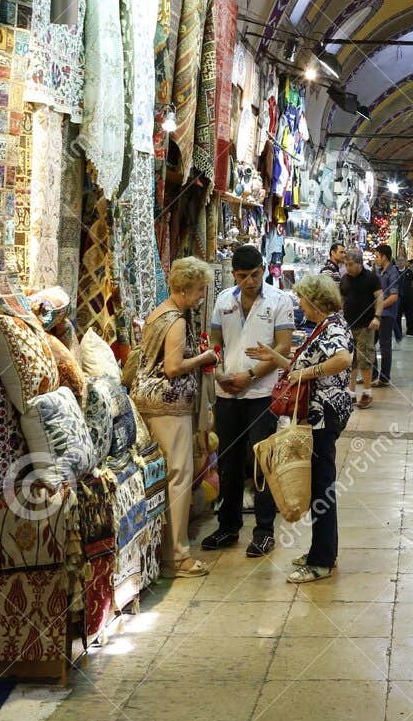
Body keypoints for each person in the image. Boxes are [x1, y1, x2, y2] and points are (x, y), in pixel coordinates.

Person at [245, 272, 354, 584]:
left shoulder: (332, 327)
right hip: (318, 417)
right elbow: (300, 365)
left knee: (322, 487)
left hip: (323, 418)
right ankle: (321, 550)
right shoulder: (324, 326)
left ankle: (321, 561)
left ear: (316, 302)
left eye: (303, 301)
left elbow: (342, 359)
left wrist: (309, 373)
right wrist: (277, 357)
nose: (300, 306)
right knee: (320, 485)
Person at [202, 245, 293, 558]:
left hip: (262, 394)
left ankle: (264, 531)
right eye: (243, 276)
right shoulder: (224, 300)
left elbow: (284, 347)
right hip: (228, 393)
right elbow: (214, 341)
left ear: (264, 268)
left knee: (261, 464)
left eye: (255, 274)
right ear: (234, 274)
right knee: (228, 461)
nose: (251, 281)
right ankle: (228, 527)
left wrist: (252, 375)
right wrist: (220, 371)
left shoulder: (280, 301)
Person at [135, 258, 218, 577]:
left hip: (152, 404)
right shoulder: (177, 321)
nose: (200, 297)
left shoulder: (158, 313)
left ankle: (165, 551)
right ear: (183, 289)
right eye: (198, 291)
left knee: (166, 476)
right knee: (179, 476)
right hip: (169, 407)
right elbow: (172, 367)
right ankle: (177, 556)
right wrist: (203, 358)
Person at [340, 247, 382, 408]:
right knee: (351, 360)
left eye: (350, 264)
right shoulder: (344, 279)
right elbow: (342, 300)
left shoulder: (371, 278)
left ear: (359, 263)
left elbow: (380, 298)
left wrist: (377, 317)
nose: (347, 267)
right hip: (348, 325)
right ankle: (350, 393)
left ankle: (367, 392)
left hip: (366, 325)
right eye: (346, 264)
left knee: (365, 358)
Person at [373, 244, 400, 385]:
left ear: (384, 256)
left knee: (384, 345)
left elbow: (394, 296)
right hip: (378, 315)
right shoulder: (379, 271)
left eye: (377, 256)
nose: (375, 259)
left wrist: (379, 306)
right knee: (370, 344)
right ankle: (371, 375)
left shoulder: (393, 272)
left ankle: (384, 378)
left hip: (387, 315)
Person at [400, 257, 413, 337]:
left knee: (410, 313)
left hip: (409, 295)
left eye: (402, 260)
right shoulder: (394, 272)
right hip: (398, 295)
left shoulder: (409, 271)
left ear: (405, 262)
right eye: (399, 261)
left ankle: (410, 331)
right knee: (397, 314)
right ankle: (398, 332)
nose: (400, 262)